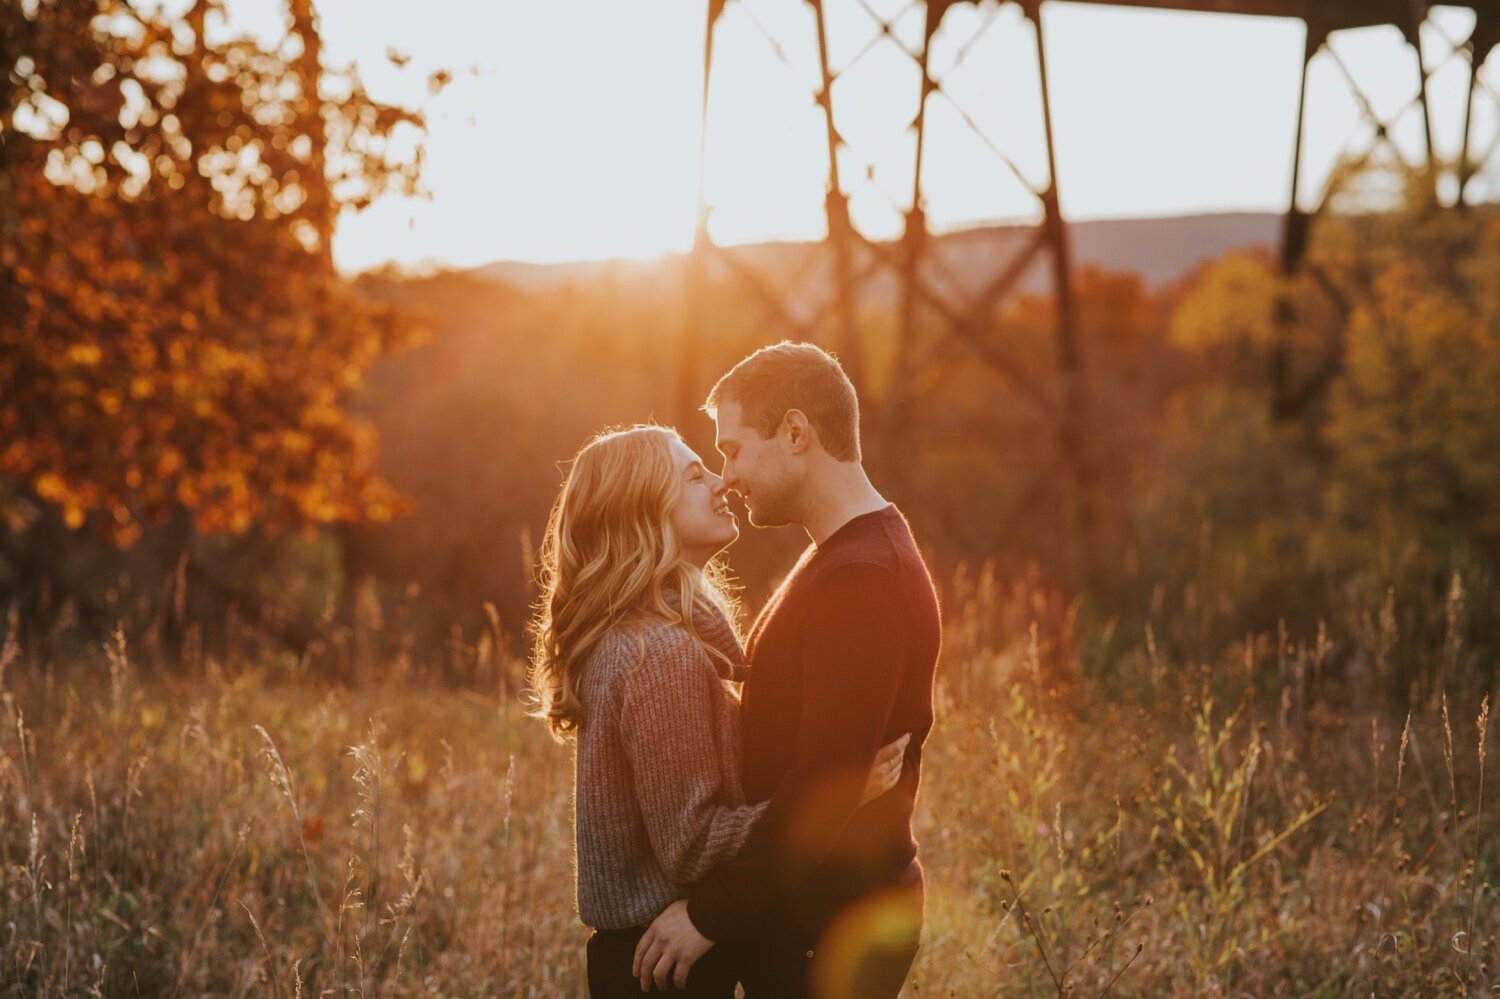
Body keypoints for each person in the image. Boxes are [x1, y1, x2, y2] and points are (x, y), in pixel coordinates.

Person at [525, 424, 909, 998]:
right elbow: (693, 844)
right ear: (645, 512)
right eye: (695, 475)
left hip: (649, 953)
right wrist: (837, 796)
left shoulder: (661, 638)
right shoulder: (659, 653)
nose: (722, 482)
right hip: (663, 959)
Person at [633, 343, 943, 998]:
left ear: (796, 433)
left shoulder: (862, 577)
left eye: (734, 448)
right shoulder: (842, 555)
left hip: (833, 925)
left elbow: (821, 788)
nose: (726, 475)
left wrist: (708, 914)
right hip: (811, 914)